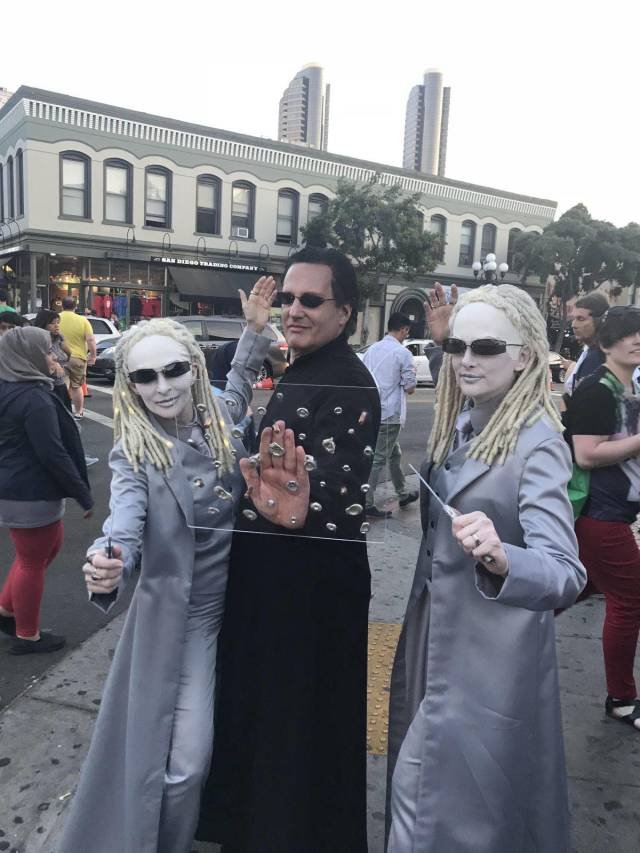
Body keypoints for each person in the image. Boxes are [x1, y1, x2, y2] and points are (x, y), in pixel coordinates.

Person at [58, 279, 278, 853]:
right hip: (188, 620)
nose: (162, 387)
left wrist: (254, 330)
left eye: (174, 370)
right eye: (145, 377)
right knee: (184, 765)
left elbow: (237, 382)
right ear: (129, 386)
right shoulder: (134, 451)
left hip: (251, 607)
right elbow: (124, 521)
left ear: (193, 370)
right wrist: (108, 560)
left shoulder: (217, 417)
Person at [386, 284, 586, 853]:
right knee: (434, 796)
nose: (466, 360)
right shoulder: (468, 418)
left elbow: (565, 572)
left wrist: (502, 556)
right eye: (458, 347)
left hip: (491, 656)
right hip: (436, 633)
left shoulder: (538, 442)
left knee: (433, 801)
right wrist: (455, 335)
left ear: (525, 356)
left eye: (487, 347)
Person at [197, 247, 380, 852]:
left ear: (344, 312)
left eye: (311, 299)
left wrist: (299, 510)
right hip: (274, 581)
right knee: (268, 720)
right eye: (289, 298)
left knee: (294, 727)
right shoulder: (305, 368)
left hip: (307, 595)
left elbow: (337, 496)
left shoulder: (346, 382)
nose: (294, 310)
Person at [563, 305, 640, 731]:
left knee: (579, 586)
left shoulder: (626, 387)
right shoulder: (598, 389)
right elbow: (587, 455)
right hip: (599, 514)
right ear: (607, 343)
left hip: (612, 512)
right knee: (630, 599)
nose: (636, 339)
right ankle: (621, 699)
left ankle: (504, 630)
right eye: (627, 333)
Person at [0, 327, 93, 654]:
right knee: (32, 560)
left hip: (18, 487)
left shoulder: (11, 387)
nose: (53, 356)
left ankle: (7, 610)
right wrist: (82, 492)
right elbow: (53, 452)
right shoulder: (33, 398)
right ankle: (27, 635)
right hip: (30, 490)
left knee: (42, 551)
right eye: (46, 351)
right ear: (28, 357)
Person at [363, 312, 418, 518]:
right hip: (390, 414)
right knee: (378, 458)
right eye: (407, 331)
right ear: (404, 329)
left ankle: (402, 493)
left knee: (394, 454)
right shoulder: (403, 353)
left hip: (372, 411)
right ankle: (366, 502)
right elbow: (410, 387)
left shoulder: (372, 349)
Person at [563, 291, 609, 396]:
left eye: (581, 319)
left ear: (599, 320)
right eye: (574, 318)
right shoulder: (589, 351)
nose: (574, 325)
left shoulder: (599, 356)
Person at [58, 296, 96, 420]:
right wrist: (93, 355)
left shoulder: (56, 318)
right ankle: (79, 412)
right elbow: (90, 339)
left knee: (61, 385)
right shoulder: (83, 320)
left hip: (59, 357)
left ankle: (61, 412)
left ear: (62, 305)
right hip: (78, 358)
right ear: (75, 306)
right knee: (76, 386)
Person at [33, 308, 72, 411]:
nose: (56, 326)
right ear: (43, 324)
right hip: (45, 387)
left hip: (60, 385)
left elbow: (68, 354)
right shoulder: (37, 340)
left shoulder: (58, 338)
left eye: (58, 323)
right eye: (52, 323)